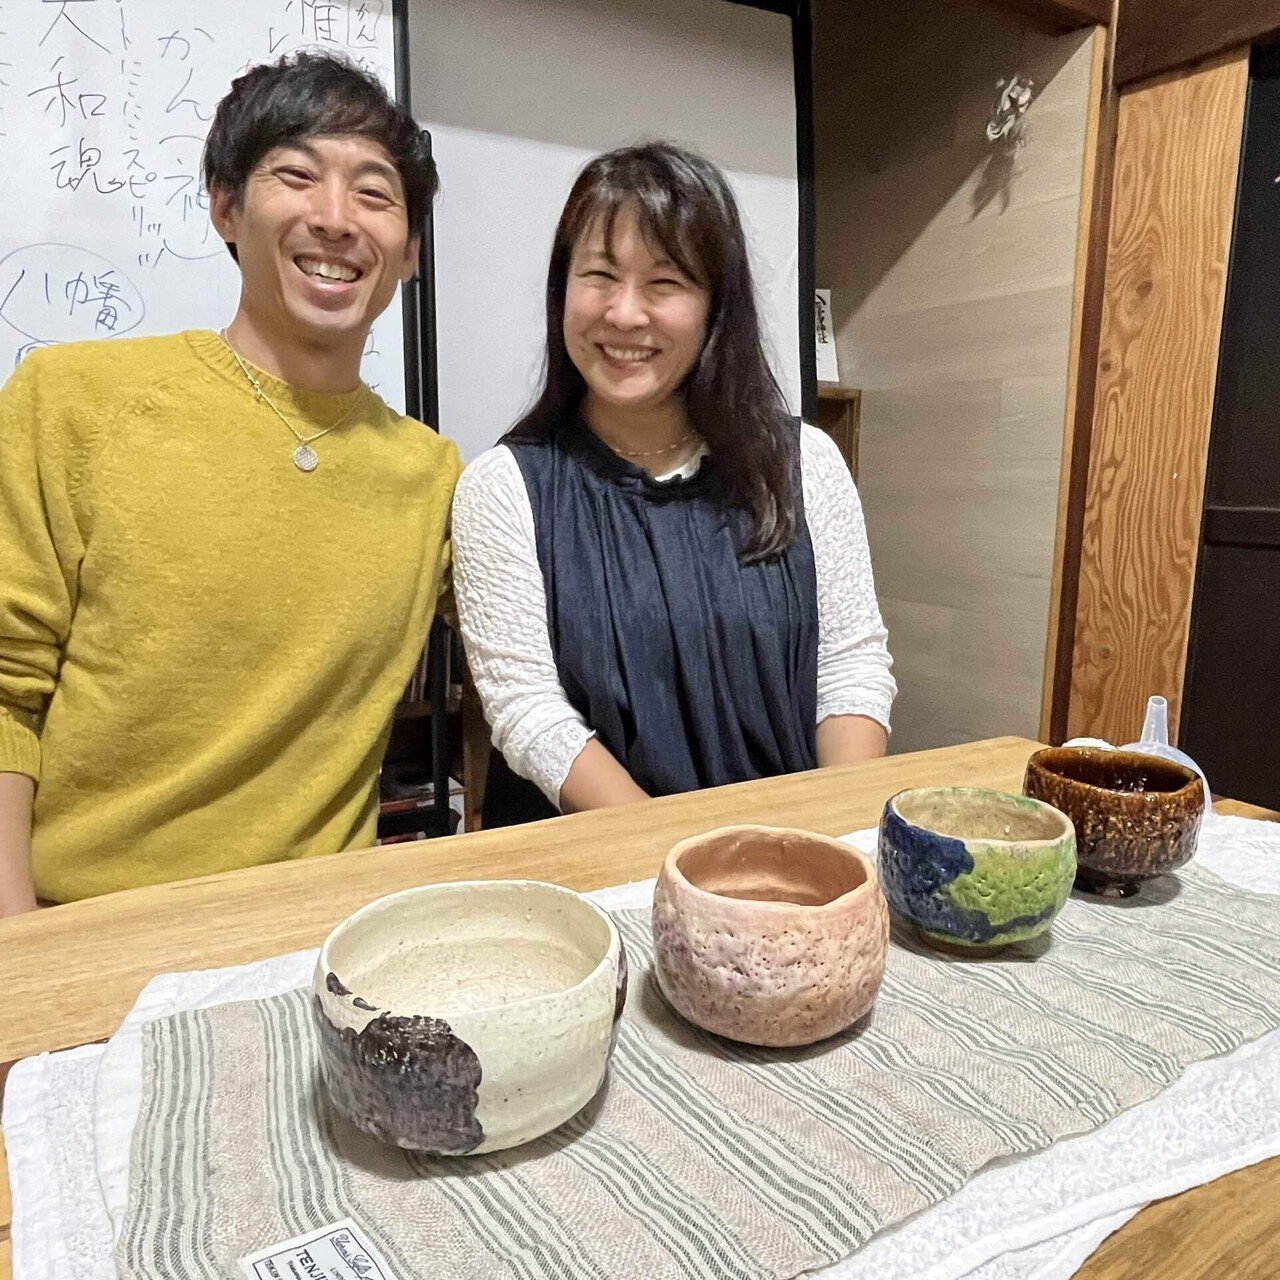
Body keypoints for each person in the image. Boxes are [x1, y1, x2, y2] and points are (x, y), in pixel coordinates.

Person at [0, 52, 461, 913]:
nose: (336, 219)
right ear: (224, 207)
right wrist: (20, 964)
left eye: (374, 193)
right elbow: (3, 688)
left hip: (319, 940)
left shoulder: (432, 476)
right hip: (84, 926)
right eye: (296, 175)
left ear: (409, 252)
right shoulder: (71, 402)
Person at [452, 142, 895, 828]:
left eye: (665, 282)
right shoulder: (503, 487)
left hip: (788, 856)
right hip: (600, 874)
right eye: (599, 275)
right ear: (561, 290)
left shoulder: (806, 463)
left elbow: (850, 669)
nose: (625, 314)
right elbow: (527, 710)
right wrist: (686, 859)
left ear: (717, 305)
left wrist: (842, 833)